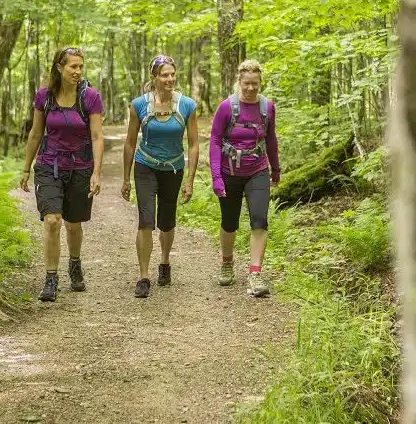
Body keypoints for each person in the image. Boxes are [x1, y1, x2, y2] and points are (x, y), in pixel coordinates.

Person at [20, 47, 104, 302]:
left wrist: (96, 172)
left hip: (80, 167)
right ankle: (50, 278)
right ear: (59, 67)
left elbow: (97, 136)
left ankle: (75, 263)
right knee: (52, 220)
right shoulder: (44, 97)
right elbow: (35, 133)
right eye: (73, 67)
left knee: (73, 223)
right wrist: (26, 168)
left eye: (80, 67)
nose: (78, 72)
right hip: (49, 165)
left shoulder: (90, 97)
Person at [121, 54, 198, 298]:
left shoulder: (187, 105)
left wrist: (190, 180)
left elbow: (194, 144)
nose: (170, 79)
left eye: (173, 74)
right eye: (165, 75)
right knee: (146, 219)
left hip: (173, 169)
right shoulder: (139, 105)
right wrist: (125, 178)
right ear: (154, 77)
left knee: (167, 221)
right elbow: (130, 142)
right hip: (145, 167)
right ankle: (143, 276)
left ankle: (164, 262)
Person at [208, 59, 280, 297]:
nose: (250, 88)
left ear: (260, 83)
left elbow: (271, 140)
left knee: (260, 219)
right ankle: (227, 263)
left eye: (255, 84)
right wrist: (216, 177)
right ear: (239, 81)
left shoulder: (267, 107)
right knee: (229, 222)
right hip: (229, 173)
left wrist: (276, 169)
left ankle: (255, 273)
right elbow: (216, 141)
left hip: (257, 170)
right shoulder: (226, 108)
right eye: (246, 84)